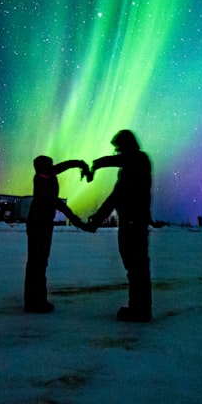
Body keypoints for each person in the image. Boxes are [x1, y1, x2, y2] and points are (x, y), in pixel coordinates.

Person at [86, 130, 153, 322]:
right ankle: (138, 308)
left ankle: (140, 310)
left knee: (136, 265)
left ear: (127, 146)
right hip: (130, 221)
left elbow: (124, 164)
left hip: (134, 222)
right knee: (133, 265)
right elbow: (116, 197)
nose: (117, 153)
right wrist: (98, 219)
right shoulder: (128, 169)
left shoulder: (139, 160)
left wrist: (99, 163)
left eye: (119, 149)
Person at [24, 155, 92, 313]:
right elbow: (57, 203)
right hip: (38, 225)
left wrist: (80, 163)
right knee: (37, 263)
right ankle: (35, 303)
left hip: (44, 223)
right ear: (40, 169)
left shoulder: (49, 173)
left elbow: (65, 165)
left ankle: (35, 300)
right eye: (46, 168)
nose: (50, 171)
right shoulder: (41, 183)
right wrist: (77, 220)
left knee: (39, 263)